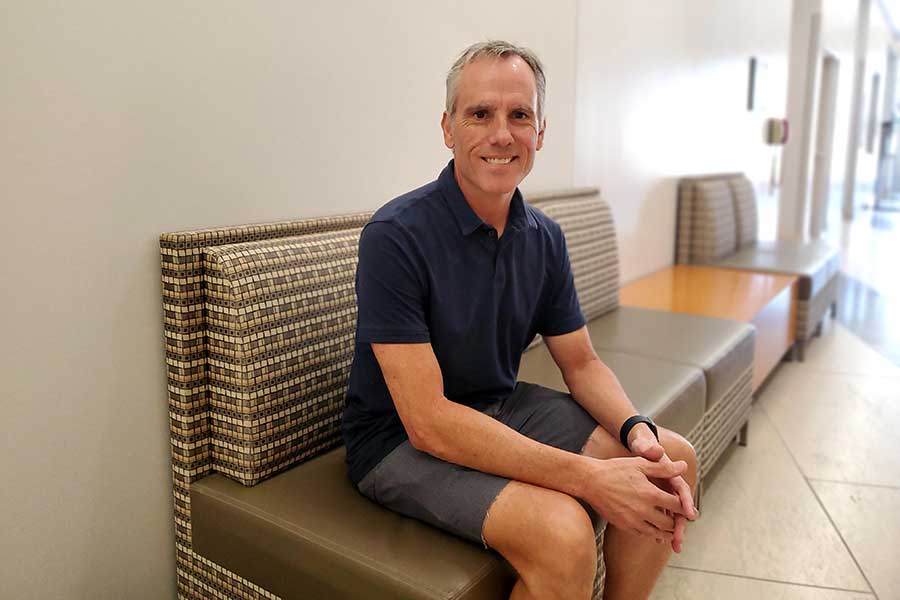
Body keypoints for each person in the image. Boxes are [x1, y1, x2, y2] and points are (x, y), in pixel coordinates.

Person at [342, 40, 698, 600]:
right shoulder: (396, 236)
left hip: (500, 407)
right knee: (565, 533)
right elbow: (429, 421)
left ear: (540, 130)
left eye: (519, 115)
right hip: (398, 441)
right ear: (448, 127)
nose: (501, 133)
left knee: (673, 463)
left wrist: (638, 432)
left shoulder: (545, 237)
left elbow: (581, 362)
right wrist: (590, 478)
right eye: (479, 113)